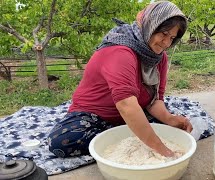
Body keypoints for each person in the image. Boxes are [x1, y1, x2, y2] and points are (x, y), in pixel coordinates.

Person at [48, 1, 193, 158]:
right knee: (61, 141)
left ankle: (131, 129)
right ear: (150, 25)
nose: (166, 43)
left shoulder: (159, 58)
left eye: (172, 38)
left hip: (135, 111)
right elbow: (126, 105)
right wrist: (162, 150)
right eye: (163, 34)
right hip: (94, 116)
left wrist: (169, 119)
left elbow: (155, 101)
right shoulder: (120, 51)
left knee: (174, 128)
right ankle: (133, 130)